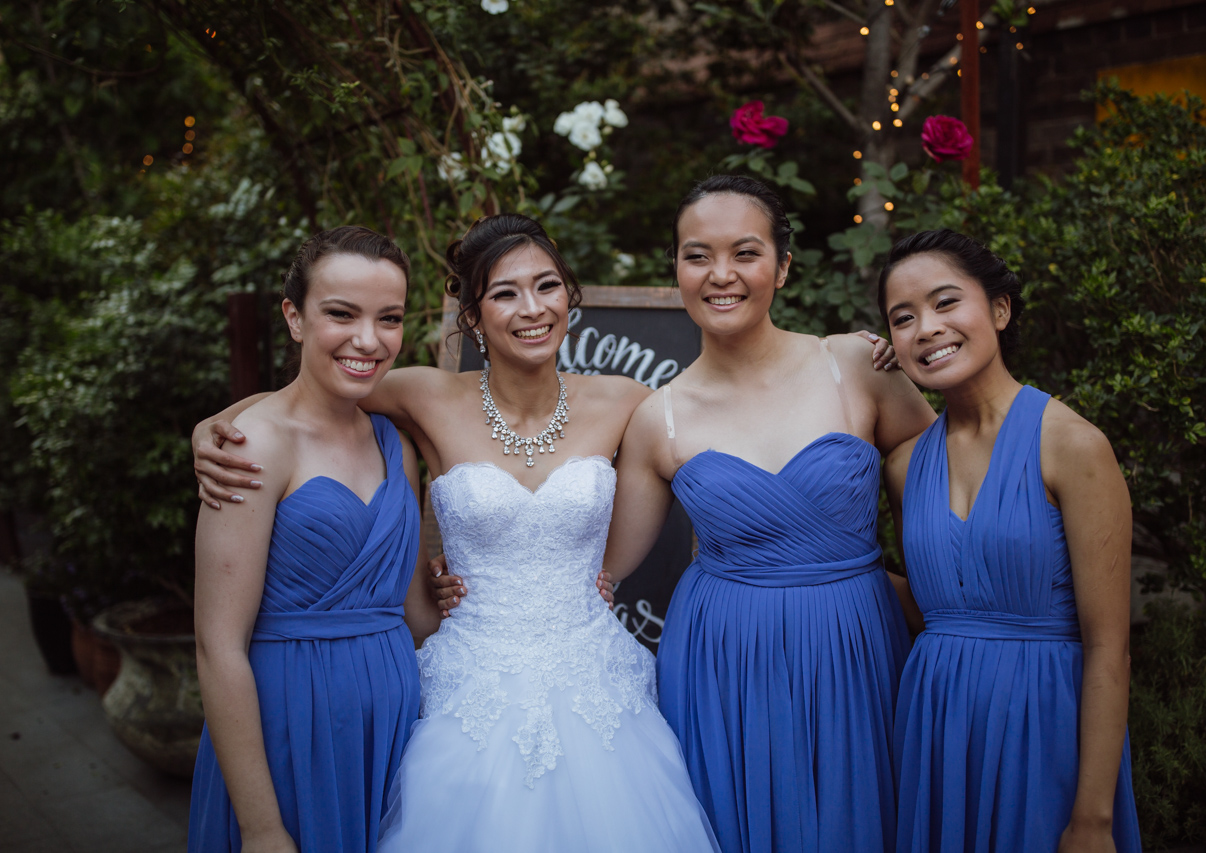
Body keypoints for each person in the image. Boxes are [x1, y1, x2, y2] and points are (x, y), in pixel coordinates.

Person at [194, 214, 723, 852]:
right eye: (504, 292)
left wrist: (866, 353)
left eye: (548, 286)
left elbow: (728, 408)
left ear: (568, 297)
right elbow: (310, 392)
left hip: (598, 686)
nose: (532, 308)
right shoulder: (424, 395)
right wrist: (214, 426)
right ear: (471, 316)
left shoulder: (624, 400)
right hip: (468, 689)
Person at [597, 175, 937, 853]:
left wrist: (921, 592)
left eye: (744, 252)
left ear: (782, 266)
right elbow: (600, 571)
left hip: (855, 643)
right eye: (697, 255)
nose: (720, 274)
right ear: (677, 268)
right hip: (723, 661)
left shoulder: (854, 364)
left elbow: (945, 487)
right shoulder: (657, 417)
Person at [878, 229, 1142, 852]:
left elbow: (1110, 648)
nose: (927, 328)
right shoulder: (904, 465)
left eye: (946, 303)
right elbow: (929, 605)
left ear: (999, 309)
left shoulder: (1073, 446)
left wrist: (1093, 819)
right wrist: (813, 575)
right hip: (936, 726)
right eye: (903, 318)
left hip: (1042, 726)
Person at [189, 226, 438, 853]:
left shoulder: (396, 446)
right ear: (294, 318)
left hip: (393, 734)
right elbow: (217, 645)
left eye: (389, 318)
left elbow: (414, 614)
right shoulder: (253, 445)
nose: (368, 339)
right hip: (291, 728)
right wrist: (262, 828)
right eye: (341, 314)